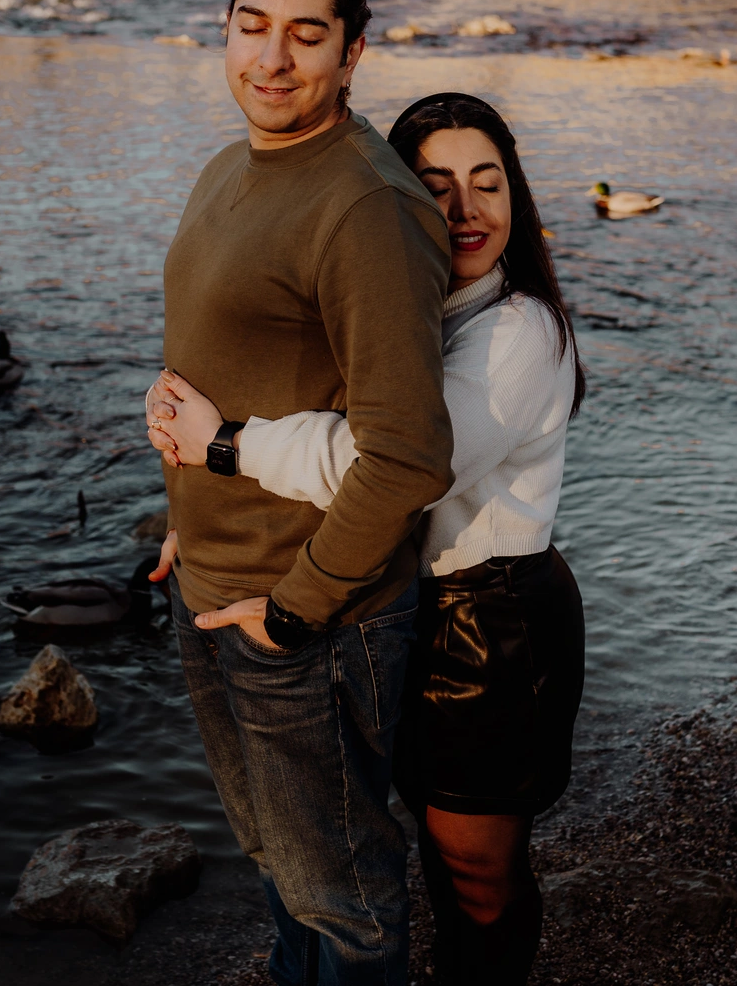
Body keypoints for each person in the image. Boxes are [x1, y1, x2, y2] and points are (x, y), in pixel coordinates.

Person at [149, 93, 587, 986]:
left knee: (479, 871)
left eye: (488, 183)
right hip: (408, 603)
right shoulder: (418, 311)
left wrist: (224, 443)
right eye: (437, 187)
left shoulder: (519, 334)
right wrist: (195, 519)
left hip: (489, 625)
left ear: (518, 198)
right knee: (423, 844)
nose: (466, 211)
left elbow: (388, 465)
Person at [147, 0, 455, 986]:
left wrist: (294, 610)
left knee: (347, 895)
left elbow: (408, 455)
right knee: (282, 867)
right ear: (224, 24)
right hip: (212, 582)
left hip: (309, 619)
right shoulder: (232, 165)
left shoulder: (365, 204)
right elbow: (234, 355)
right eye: (251, 25)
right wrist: (177, 521)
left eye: (305, 36)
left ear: (352, 51)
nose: (270, 59)